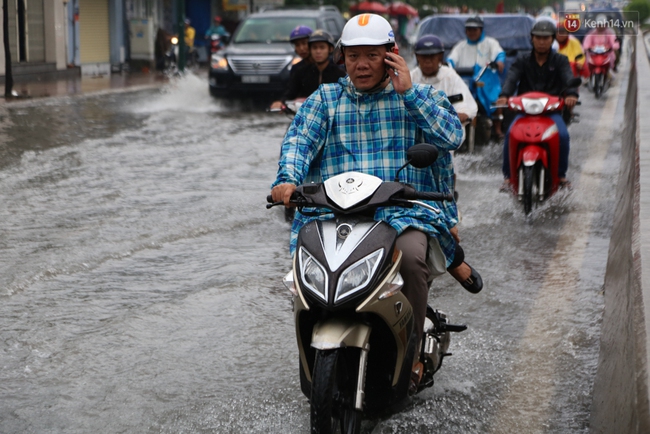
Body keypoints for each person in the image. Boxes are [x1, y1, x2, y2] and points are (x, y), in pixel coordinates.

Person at [270, 13, 483, 395]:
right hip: (333, 213)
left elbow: (452, 135)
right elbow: (298, 141)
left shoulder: (418, 95)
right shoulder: (326, 100)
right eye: (353, 57)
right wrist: (287, 179)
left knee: (412, 256)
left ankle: (412, 353)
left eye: (371, 55)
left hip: (402, 214)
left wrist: (410, 93)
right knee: (304, 265)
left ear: (391, 55)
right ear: (343, 59)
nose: (361, 65)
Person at [496, 20, 579, 190]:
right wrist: (504, 95)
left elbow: (568, 77)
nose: (542, 41)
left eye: (546, 38)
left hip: (551, 111)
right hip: (525, 111)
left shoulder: (561, 60)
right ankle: (508, 178)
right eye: (538, 38)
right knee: (510, 133)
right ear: (532, 39)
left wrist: (571, 94)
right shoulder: (522, 60)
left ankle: (561, 176)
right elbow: (511, 78)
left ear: (552, 39)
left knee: (562, 135)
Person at [446, 15, 506, 138]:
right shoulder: (460, 46)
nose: (471, 32)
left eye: (475, 29)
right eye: (469, 29)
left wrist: (499, 61)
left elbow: (499, 53)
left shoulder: (490, 43)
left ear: (481, 29)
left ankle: (497, 128)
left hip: (486, 80)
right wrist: (448, 65)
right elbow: (451, 59)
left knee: (496, 98)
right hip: (465, 80)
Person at [411, 34, 478, 133]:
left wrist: (462, 113)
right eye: (424, 57)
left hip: (445, 132)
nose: (428, 61)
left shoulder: (450, 76)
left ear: (440, 57)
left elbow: (463, 102)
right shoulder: (410, 77)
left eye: (432, 56)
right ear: (417, 57)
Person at [279, 30, 346, 105]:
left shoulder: (339, 73)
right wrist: (281, 102)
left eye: (322, 47)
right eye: (314, 48)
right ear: (310, 50)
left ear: (330, 49)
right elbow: (290, 92)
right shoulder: (301, 72)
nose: (318, 51)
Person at [269, 25, 313, 110]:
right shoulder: (297, 68)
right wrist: (282, 101)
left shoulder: (329, 65)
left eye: (304, 43)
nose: (301, 48)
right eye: (297, 45)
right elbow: (292, 91)